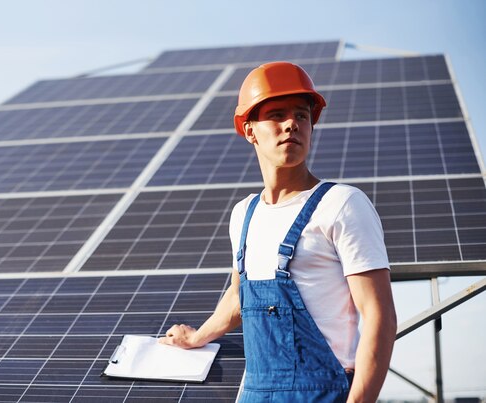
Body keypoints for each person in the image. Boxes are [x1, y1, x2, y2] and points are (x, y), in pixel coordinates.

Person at [159, 62, 397, 402]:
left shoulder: (343, 204)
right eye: (276, 115)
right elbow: (239, 297)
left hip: (323, 394)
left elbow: (379, 316)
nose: (291, 125)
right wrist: (197, 337)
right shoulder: (244, 213)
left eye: (301, 115)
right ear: (250, 130)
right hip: (255, 394)